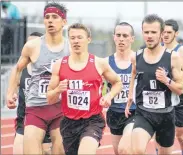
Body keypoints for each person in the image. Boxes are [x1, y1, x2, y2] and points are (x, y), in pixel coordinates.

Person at [46, 23, 123, 155]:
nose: (76, 41)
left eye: (80, 37)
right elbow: (49, 98)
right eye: (72, 38)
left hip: (92, 121)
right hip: (69, 123)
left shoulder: (99, 63)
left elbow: (117, 82)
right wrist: (58, 89)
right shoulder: (59, 65)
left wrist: (109, 96)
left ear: (88, 39)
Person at [6, 2, 69, 154]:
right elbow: (17, 69)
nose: (50, 20)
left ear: (64, 22)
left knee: (60, 151)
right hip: (36, 108)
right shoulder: (32, 46)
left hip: (60, 108)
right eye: (47, 17)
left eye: (55, 17)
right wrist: (10, 93)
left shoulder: (71, 48)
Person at [125, 14, 183, 155]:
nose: (149, 36)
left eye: (153, 32)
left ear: (162, 34)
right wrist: (130, 97)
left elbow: (180, 89)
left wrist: (166, 80)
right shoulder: (136, 56)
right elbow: (134, 74)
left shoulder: (172, 57)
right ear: (142, 32)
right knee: (137, 150)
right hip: (143, 113)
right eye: (146, 32)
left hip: (166, 115)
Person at [13, 32, 52, 155]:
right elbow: (13, 85)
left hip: (46, 119)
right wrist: (12, 94)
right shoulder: (20, 69)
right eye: (29, 43)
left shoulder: (50, 69)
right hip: (24, 119)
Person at [105, 22, 136, 155]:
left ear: (132, 39)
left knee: (125, 149)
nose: (121, 38)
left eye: (125, 35)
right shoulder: (106, 62)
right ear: (114, 37)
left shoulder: (139, 60)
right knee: (119, 151)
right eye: (118, 35)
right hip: (114, 112)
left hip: (135, 112)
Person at [162, 19, 183, 155]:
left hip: (179, 98)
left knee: (180, 135)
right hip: (162, 96)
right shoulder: (158, 49)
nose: (165, 35)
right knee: (160, 133)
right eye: (163, 32)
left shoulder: (182, 50)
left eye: (169, 32)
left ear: (176, 33)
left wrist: (169, 74)